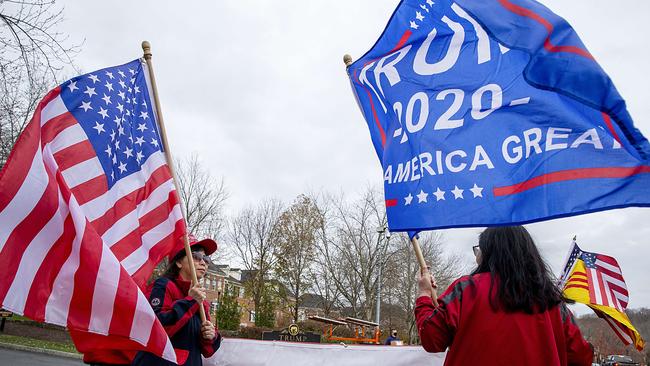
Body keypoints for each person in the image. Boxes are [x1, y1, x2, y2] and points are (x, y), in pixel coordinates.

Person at [415, 226, 593, 366]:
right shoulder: (552, 301)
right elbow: (581, 357)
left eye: (479, 249)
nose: (477, 255)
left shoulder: (466, 289)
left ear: (490, 252)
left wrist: (423, 295)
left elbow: (432, 338)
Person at [132, 235, 222, 366]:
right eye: (196, 256)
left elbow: (208, 351)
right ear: (179, 262)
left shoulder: (202, 302)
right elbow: (157, 328)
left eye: (207, 259)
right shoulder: (163, 286)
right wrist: (190, 301)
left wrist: (210, 337)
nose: (203, 262)